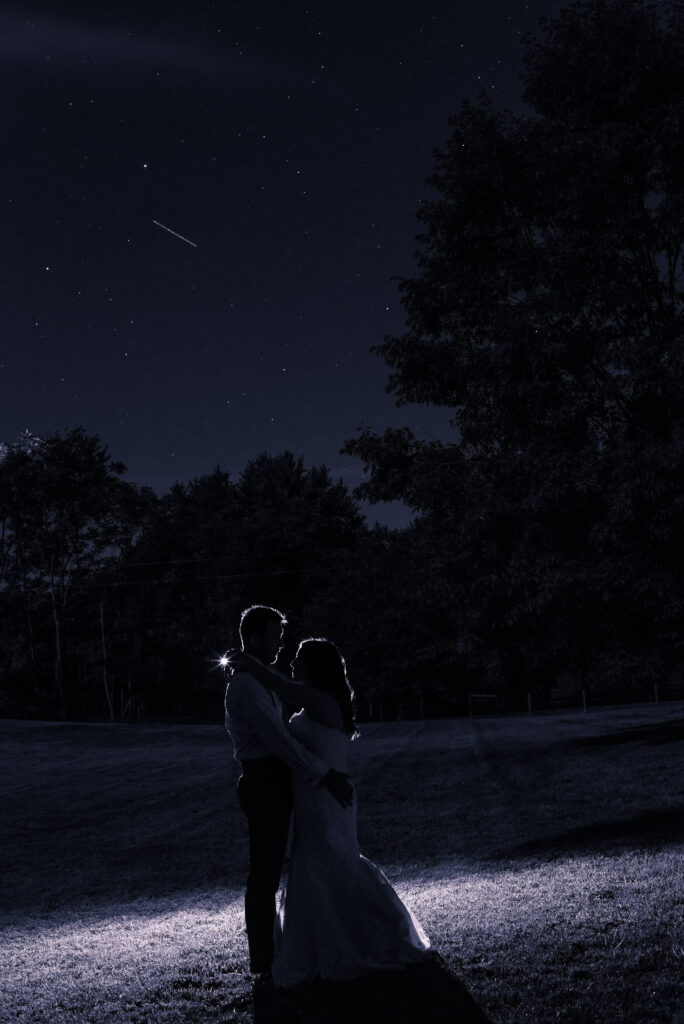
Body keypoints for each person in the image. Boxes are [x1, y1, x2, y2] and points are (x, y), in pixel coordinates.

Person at [227, 636, 430, 989]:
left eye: (300, 658)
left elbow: (277, 683)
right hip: (313, 793)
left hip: (326, 796)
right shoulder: (313, 700)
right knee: (316, 863)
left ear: (316, 666)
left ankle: (374, 935)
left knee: (334, 861)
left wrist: (246, 660)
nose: (292, 663)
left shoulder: (319, 699)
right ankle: (320, 942)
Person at [223, 605, 354, 983]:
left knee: (279, 868)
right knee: (264, 873)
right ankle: (264, 962)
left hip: (277, 781)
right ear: (254, 638)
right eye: (275, 636)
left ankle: (280, 951)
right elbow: (279, 741)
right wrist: (324, 773)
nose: (281, 645)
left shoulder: (259, 677)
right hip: (263, 781)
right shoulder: (247, 684)